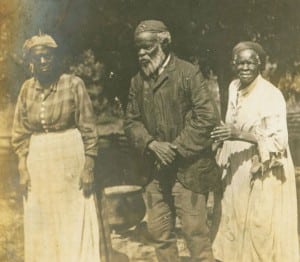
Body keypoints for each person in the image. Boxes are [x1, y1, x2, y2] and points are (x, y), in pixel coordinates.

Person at [124, 20, 219, 262]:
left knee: (195, 235)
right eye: (138, 49)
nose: (141, 53)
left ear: (164, 42)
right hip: (155, 171)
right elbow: (131, 122)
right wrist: (151, 145)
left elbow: (207, 117)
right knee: (159, 235)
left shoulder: (188, 73)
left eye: (147, 47)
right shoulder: (137, 81)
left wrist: (175, 148)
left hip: (189, 170)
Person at [11, 34, 102, 262]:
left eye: (48, 56)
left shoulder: (73, 84)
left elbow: (89, 129)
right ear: (31, 61)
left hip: (69, 157)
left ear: (56, 58)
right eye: (38, 57)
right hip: (38, 161)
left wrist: (89, 166)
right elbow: (20, 133)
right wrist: (22, 167)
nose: (43, 61)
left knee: (72, 217)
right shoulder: (26, 89)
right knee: (42, 219)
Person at [211, 41, 299, 262]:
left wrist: (238, 134)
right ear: (234, 65)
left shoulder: (271, 94)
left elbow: (278, 141)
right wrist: (222, 138)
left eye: (250, 62)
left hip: (263, 167)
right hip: (236, 164)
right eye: (240, 63)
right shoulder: (233, 87)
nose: (245, 67)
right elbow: (231, 121)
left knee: (260, 229)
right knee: (234, 220)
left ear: (259, 64)